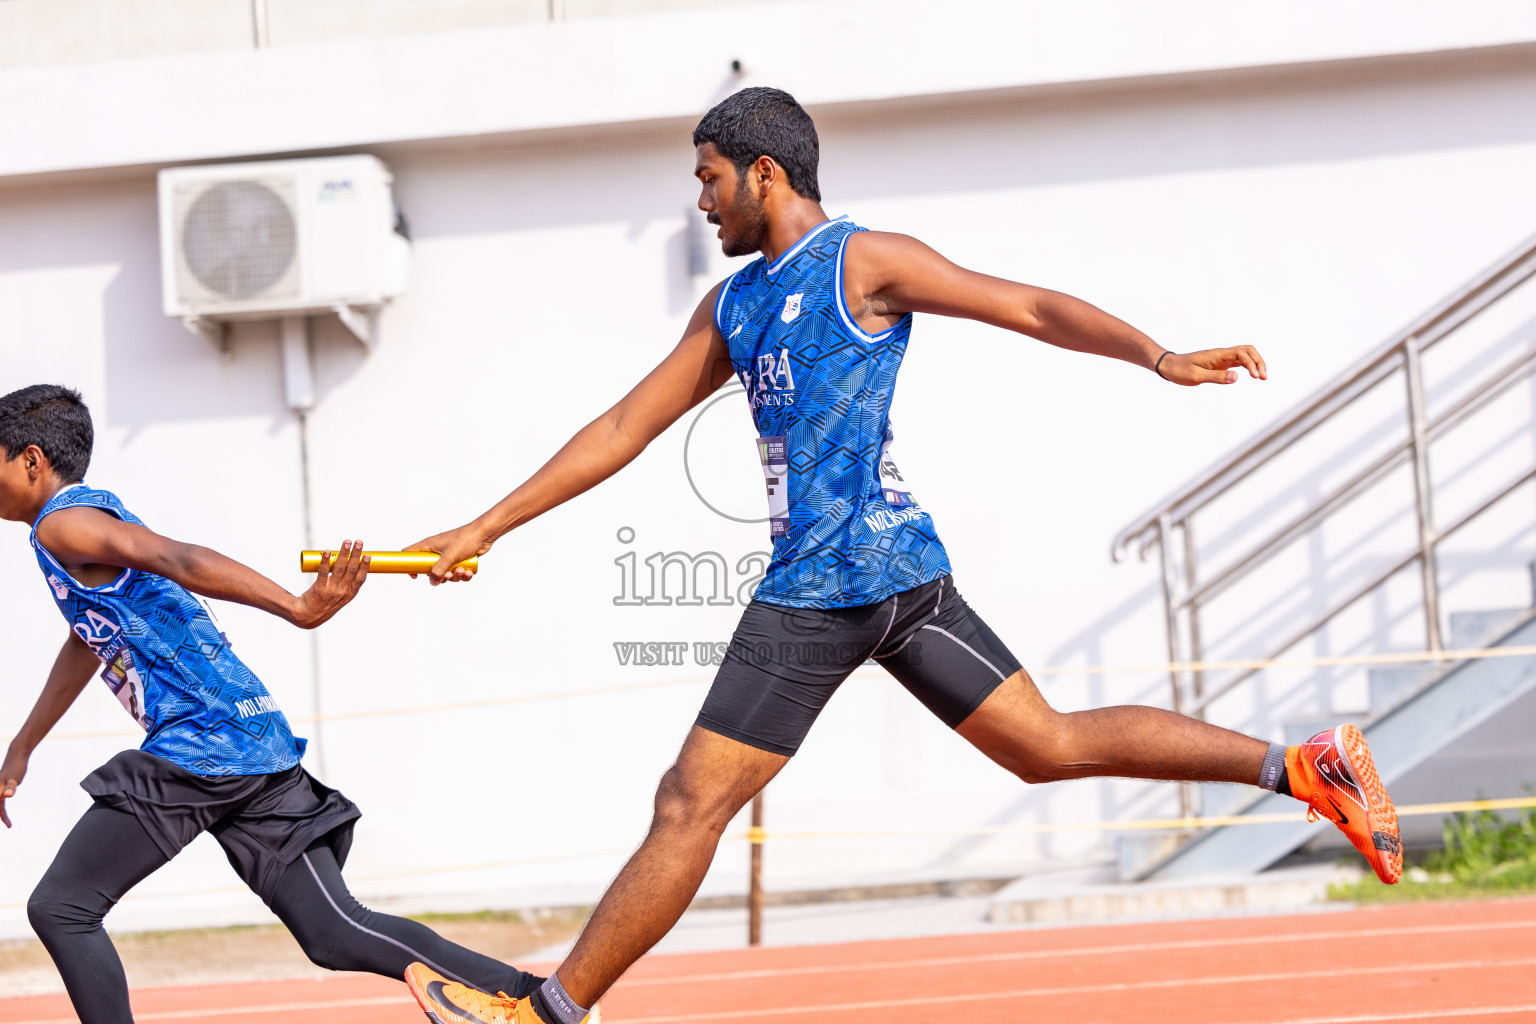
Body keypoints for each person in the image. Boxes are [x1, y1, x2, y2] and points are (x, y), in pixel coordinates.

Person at [400, 88, 1402, 1024]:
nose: (698, 200)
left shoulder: (863, 262)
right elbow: (626, 424)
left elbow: (1027, 306)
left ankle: (544, 1012)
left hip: (829, 589)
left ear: (764, 174)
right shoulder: (735, 309)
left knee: (689, 800)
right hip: (901, 582)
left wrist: (1156, 354)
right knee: (1044, 744)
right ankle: (1302, 766)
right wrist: (489, 523)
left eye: (707, 177)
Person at [0, 385, 548, 1024]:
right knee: (335, 931)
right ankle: (539, 1001)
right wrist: (22, 747)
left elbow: (178, 557)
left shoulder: (61, 524)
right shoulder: (94, 521)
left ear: (32, 460)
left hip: (197, 745)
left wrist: (297, 608)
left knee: (63, 906)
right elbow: (86, 640)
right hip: (253, 740)